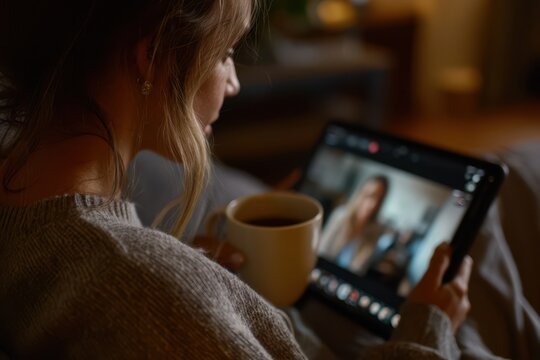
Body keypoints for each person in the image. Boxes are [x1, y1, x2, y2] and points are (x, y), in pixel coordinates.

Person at [0, 0, 473, 358]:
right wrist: (428, 330)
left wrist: (214, 293)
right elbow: (141, 295)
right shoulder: (137, 278)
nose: (234, 82)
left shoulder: (23, 191)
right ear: (155, 53)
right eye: (225, 52)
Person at [319, 176, 398, 274]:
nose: (372, 205)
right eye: (370, 196)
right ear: (360, 194)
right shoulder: (340, 216)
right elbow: (320, 252)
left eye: (379, 200)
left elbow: (359, 269)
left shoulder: (375, 231)